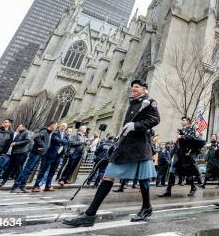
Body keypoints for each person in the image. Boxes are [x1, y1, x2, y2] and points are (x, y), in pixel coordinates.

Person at [62, 79, 160, 227]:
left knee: (143, 179)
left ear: (145, 89)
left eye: (137, 87)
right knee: (108, 176)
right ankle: (89, 215)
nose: (133, 89)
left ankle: (146, 207)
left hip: (139, 147)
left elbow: (155, 119)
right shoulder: (133, 102)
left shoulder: (149, 101)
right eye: (132, 87)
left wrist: (136, 125)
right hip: (125, 147)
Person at [158, 117, 204, 198]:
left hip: (186, 155)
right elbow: (177, 144)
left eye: (184, 120)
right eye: (182, 120)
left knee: (188, 173)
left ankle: (193, 187)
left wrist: (182, 137)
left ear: (188, 122)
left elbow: (193, 139)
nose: (182, 121)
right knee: (172, 171)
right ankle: (168, 190)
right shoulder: (182, 130)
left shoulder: (191, 129)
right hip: (178, 154)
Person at [11, 121, 55, 193]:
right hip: (35, 153)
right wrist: (42, 146)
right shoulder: (44, 131)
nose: (56, 127)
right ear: (51, 125)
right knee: (27, 169)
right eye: (55, 125)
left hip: (39, 154)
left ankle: (22, 186)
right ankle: (15, 186)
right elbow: (36, 137)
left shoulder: (48, 132)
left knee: (30, 170)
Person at [33, 122, 69, 192]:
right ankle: (36, 186)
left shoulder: (66, 134)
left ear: (66, 127)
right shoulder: (54, 132)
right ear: (59, 126)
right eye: (62, 126)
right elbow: (55, 139)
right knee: (43, 170)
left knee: (52, 171)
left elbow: (67, 142)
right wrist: (62, 141)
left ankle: (48, 186)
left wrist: (61, 141)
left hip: (59, 156)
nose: (63, 127)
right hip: (49, 154)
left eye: (65, 126)